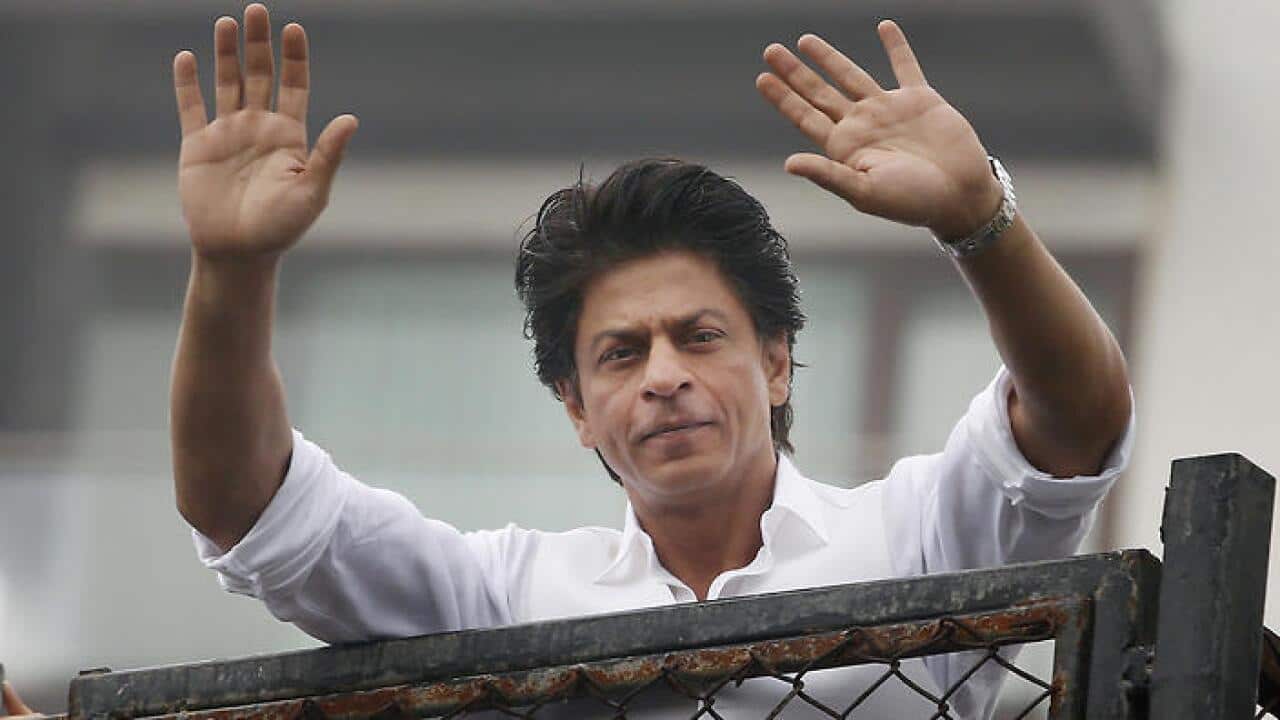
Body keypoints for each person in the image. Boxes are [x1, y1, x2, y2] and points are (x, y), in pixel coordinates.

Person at [169, 4, 1133, 718]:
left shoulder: (915, 535)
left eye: (699, 336)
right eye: (620, 355)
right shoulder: (511, 596)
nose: (663, 375)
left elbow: (1076, 420)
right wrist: (231, 269)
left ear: (778, 363)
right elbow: (248, 506)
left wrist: (979, 223)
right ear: (577, 408)